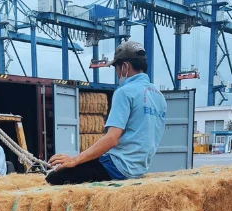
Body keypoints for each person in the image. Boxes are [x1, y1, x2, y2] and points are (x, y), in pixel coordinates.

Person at [46, 41, 167, 185]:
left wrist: (74, 160)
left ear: (125, 67)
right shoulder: (159, 96)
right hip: (139, 169)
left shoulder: (124, 92)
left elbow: (111, 139)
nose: (117, 74)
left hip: (117, 167)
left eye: (116, 69)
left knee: (53, 178)